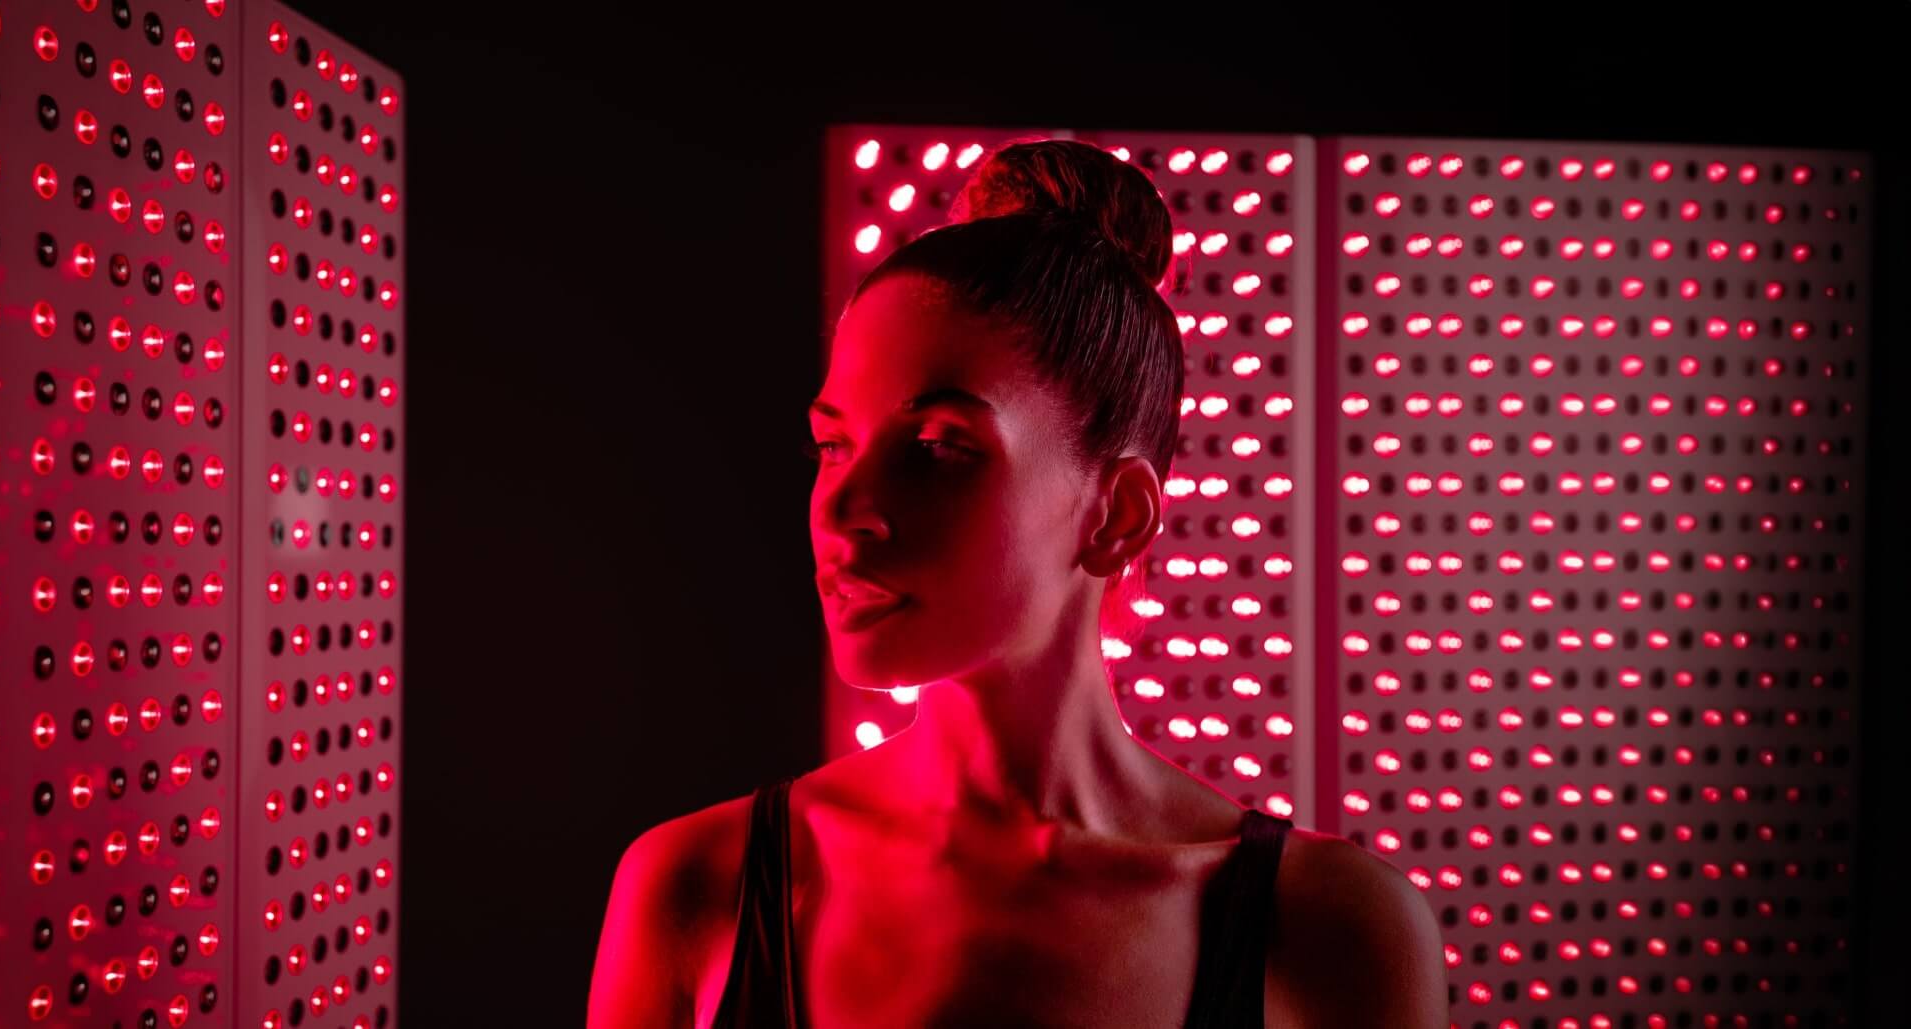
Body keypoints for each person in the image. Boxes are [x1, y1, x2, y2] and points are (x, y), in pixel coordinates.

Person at [588, 139, 1447, 1027]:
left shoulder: (1334, 928)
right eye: (832, 445)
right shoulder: (697, 885)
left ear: (1116, 515)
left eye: (936, 450)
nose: (843, 508)